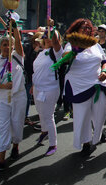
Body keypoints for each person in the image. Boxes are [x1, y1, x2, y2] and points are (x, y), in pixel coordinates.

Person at [63, 18, 106, 156]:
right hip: (79, 86)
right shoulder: (71, 43)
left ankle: (98, 134)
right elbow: (64, 58)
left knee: (101, 112)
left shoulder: (95, 45)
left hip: (97, 83)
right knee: (82, 116)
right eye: (83, 27)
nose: (86, 29)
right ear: (76, 29)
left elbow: (104, 61)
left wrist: (104, 71)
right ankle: (86, 142)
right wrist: (74, 51)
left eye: (88, 27)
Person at [0, 18, 26, 170]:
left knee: (17, 123)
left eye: (9, 44)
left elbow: (18, 42)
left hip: (18, 96)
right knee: (2, 127)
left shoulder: (17, 57)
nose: (7, 47)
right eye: (4, 44)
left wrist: (14, 27)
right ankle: (1, 159)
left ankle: (16, 146)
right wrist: (3, 86)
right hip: (1, 99)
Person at [32, 20, 63, 156]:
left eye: (49, 37)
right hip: (38, 88)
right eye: (45, 37)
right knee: (40, 113)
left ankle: (53, 144)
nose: (48, 39)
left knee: (48, 115)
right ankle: (44, 131)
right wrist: (33, 86)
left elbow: (56, 41)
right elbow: (36, 72)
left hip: (50, 89)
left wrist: (52, 27)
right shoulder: (40, 53)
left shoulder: (56, 52)